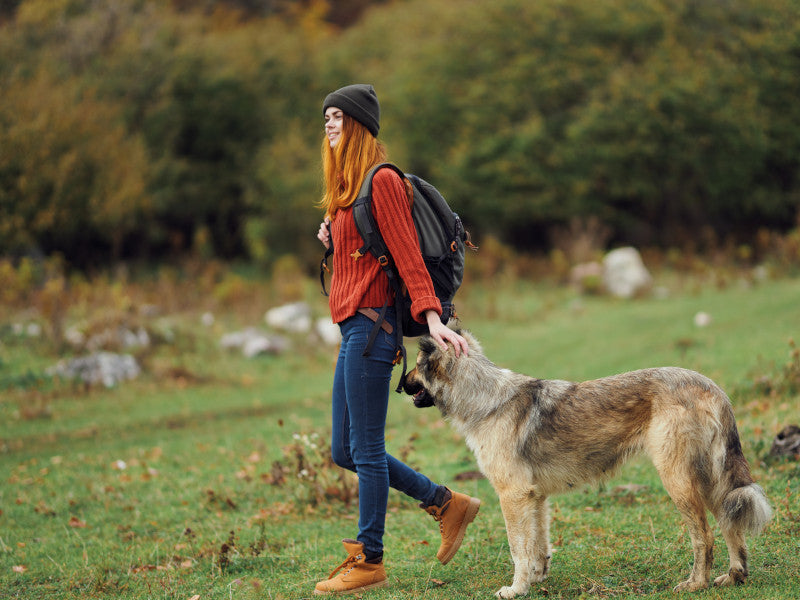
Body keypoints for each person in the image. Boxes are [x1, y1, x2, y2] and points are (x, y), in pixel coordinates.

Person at [313, 83, 480, 595]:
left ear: (360, 124)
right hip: (353, 328)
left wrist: (431, 318)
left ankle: (369, 559)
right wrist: (332, 235)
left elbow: (407, 254)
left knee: (365, 446)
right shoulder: (347, 189)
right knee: (345, 448)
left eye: (339, 116)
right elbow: (365, 251)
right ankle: (446, 503)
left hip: (375, 327)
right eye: (326, 117)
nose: (330, 123)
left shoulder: (380, 180)